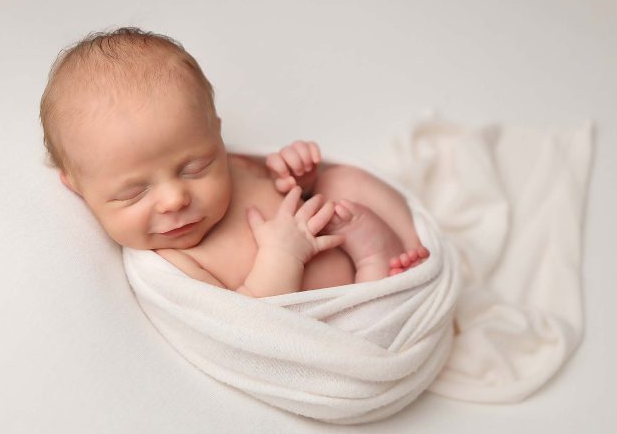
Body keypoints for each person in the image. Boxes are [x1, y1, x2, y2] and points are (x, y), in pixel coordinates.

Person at [39, 27, 429, 297]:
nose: (175, 199)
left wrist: (297, 177)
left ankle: (411, 261)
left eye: (195, 167)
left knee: (344, 181)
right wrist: (283, 256)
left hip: (351, 245)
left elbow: (297, 195)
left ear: (217, 136)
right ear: (77, 186)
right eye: (134, 191)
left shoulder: (236, 167)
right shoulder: (175, 266)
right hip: (343, 312)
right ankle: (384, 271)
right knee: (365, 296)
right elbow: (246, 323)